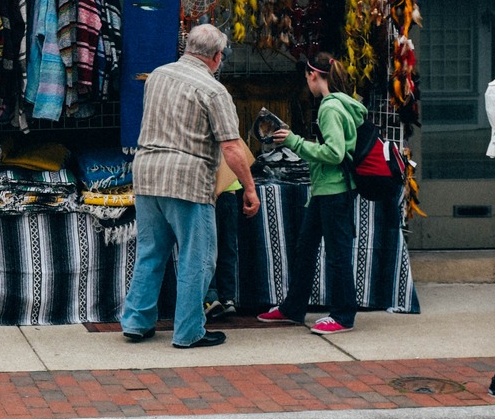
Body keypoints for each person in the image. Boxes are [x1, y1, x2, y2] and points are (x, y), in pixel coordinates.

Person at [119, 23, 259, 349]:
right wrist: (249, 188)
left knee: (151, 254)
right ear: (217, 56)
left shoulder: (157, 76)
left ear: (188, 47)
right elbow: (232, 147)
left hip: (148, 174)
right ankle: (189, 331)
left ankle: (136, 322)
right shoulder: (213, 91)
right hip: (187, 181)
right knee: (198, 258)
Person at [258, 53, 365, 334]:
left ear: (313, 75)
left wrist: (294, 141)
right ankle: (293, 307)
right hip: (325, 190)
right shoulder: (340, 105)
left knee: (337, 254)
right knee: (306, 249)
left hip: (334, 191)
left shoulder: (330, 108)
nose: (306, 81)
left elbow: (334, 152)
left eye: (306, 76)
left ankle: (343, 315)